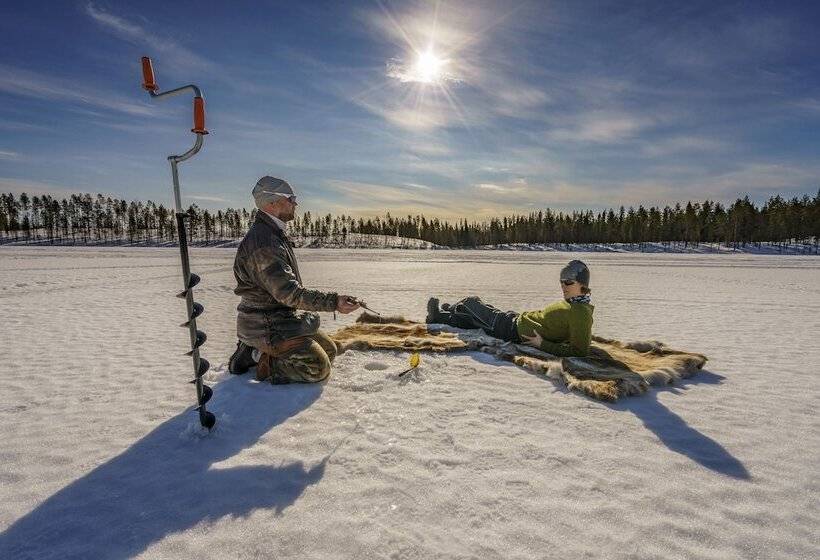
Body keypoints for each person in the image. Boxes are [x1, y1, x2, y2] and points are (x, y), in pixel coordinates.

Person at [228, 176, 361, 383]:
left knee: (330, 349)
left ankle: (257, 349)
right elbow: (289, 293)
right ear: (272, 203)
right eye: (291, 198)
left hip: (282, 317)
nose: (295, 203)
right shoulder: (264, 243)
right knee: (317, 368)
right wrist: (334, 302)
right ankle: (256, 354)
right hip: (265, 323)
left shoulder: (273, 233)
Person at [425, 260, 594, 357]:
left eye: (568, 282)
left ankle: (449, 311)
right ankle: (444, 315)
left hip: (512, 331)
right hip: (516, 320)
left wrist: (542, 344)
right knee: (475, 319)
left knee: (471, 302)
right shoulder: (575, 303)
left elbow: (579, 352)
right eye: (561, 281)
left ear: (582, 285)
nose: (563, 286)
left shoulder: (580, 312)